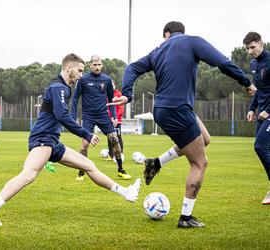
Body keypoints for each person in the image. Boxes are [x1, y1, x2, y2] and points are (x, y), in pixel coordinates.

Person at [109, 21, 256, 228]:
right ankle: (186, 218)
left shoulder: (157, 52)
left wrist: (127, 94)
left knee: (205, 139)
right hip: (178, 109)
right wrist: (246, 82)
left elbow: (131, 68)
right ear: (181, 32)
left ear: (166, 34)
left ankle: (156, 163)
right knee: (200, 163)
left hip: (163, 110)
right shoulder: (192, 42)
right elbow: (222, 62)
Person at [0, 53, 141, 226]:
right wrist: (86, 134)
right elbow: (62, 115)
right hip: (43, 138)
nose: (80, 75)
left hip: (52, 141)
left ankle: (126, 192)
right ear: (68, 67)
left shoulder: (62, 87)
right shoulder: (58, 87)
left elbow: (61, 114)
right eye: (79, 70)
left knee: (89, 165)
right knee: (28, 175)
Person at [71, 55, 131, 181]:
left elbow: (112, 100)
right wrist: (73, 116)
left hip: (103, 116)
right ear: (90, 65)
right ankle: (81, 172)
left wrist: (114, 116)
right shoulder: (83, 80)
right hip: (88, 116)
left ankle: (121, 170)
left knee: (115, 140)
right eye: (95, 64)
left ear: (101, 65)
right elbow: (75, 97)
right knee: (84, 145)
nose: (97, 67)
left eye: (99, 65)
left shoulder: (107, 80)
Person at [244, 32, 270, 205]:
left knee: (260, 146)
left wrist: (269, 110)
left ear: (261, 44)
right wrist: (252, 108)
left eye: (253, 47)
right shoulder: (253, 64)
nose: (250, 51)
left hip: (268, 113)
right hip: (261, 114)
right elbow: (259, 89)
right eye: (247, 48)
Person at [107, 80, 125, 161]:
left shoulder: (118, 94)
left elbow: (120, 108)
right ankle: (111, 155)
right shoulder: (106, 95)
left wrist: (116, 118)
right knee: (109, 137)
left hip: (117, 121)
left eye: (112, 84)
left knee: (118, 136)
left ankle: (120, 154)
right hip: (108, 120)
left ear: (114, 85)